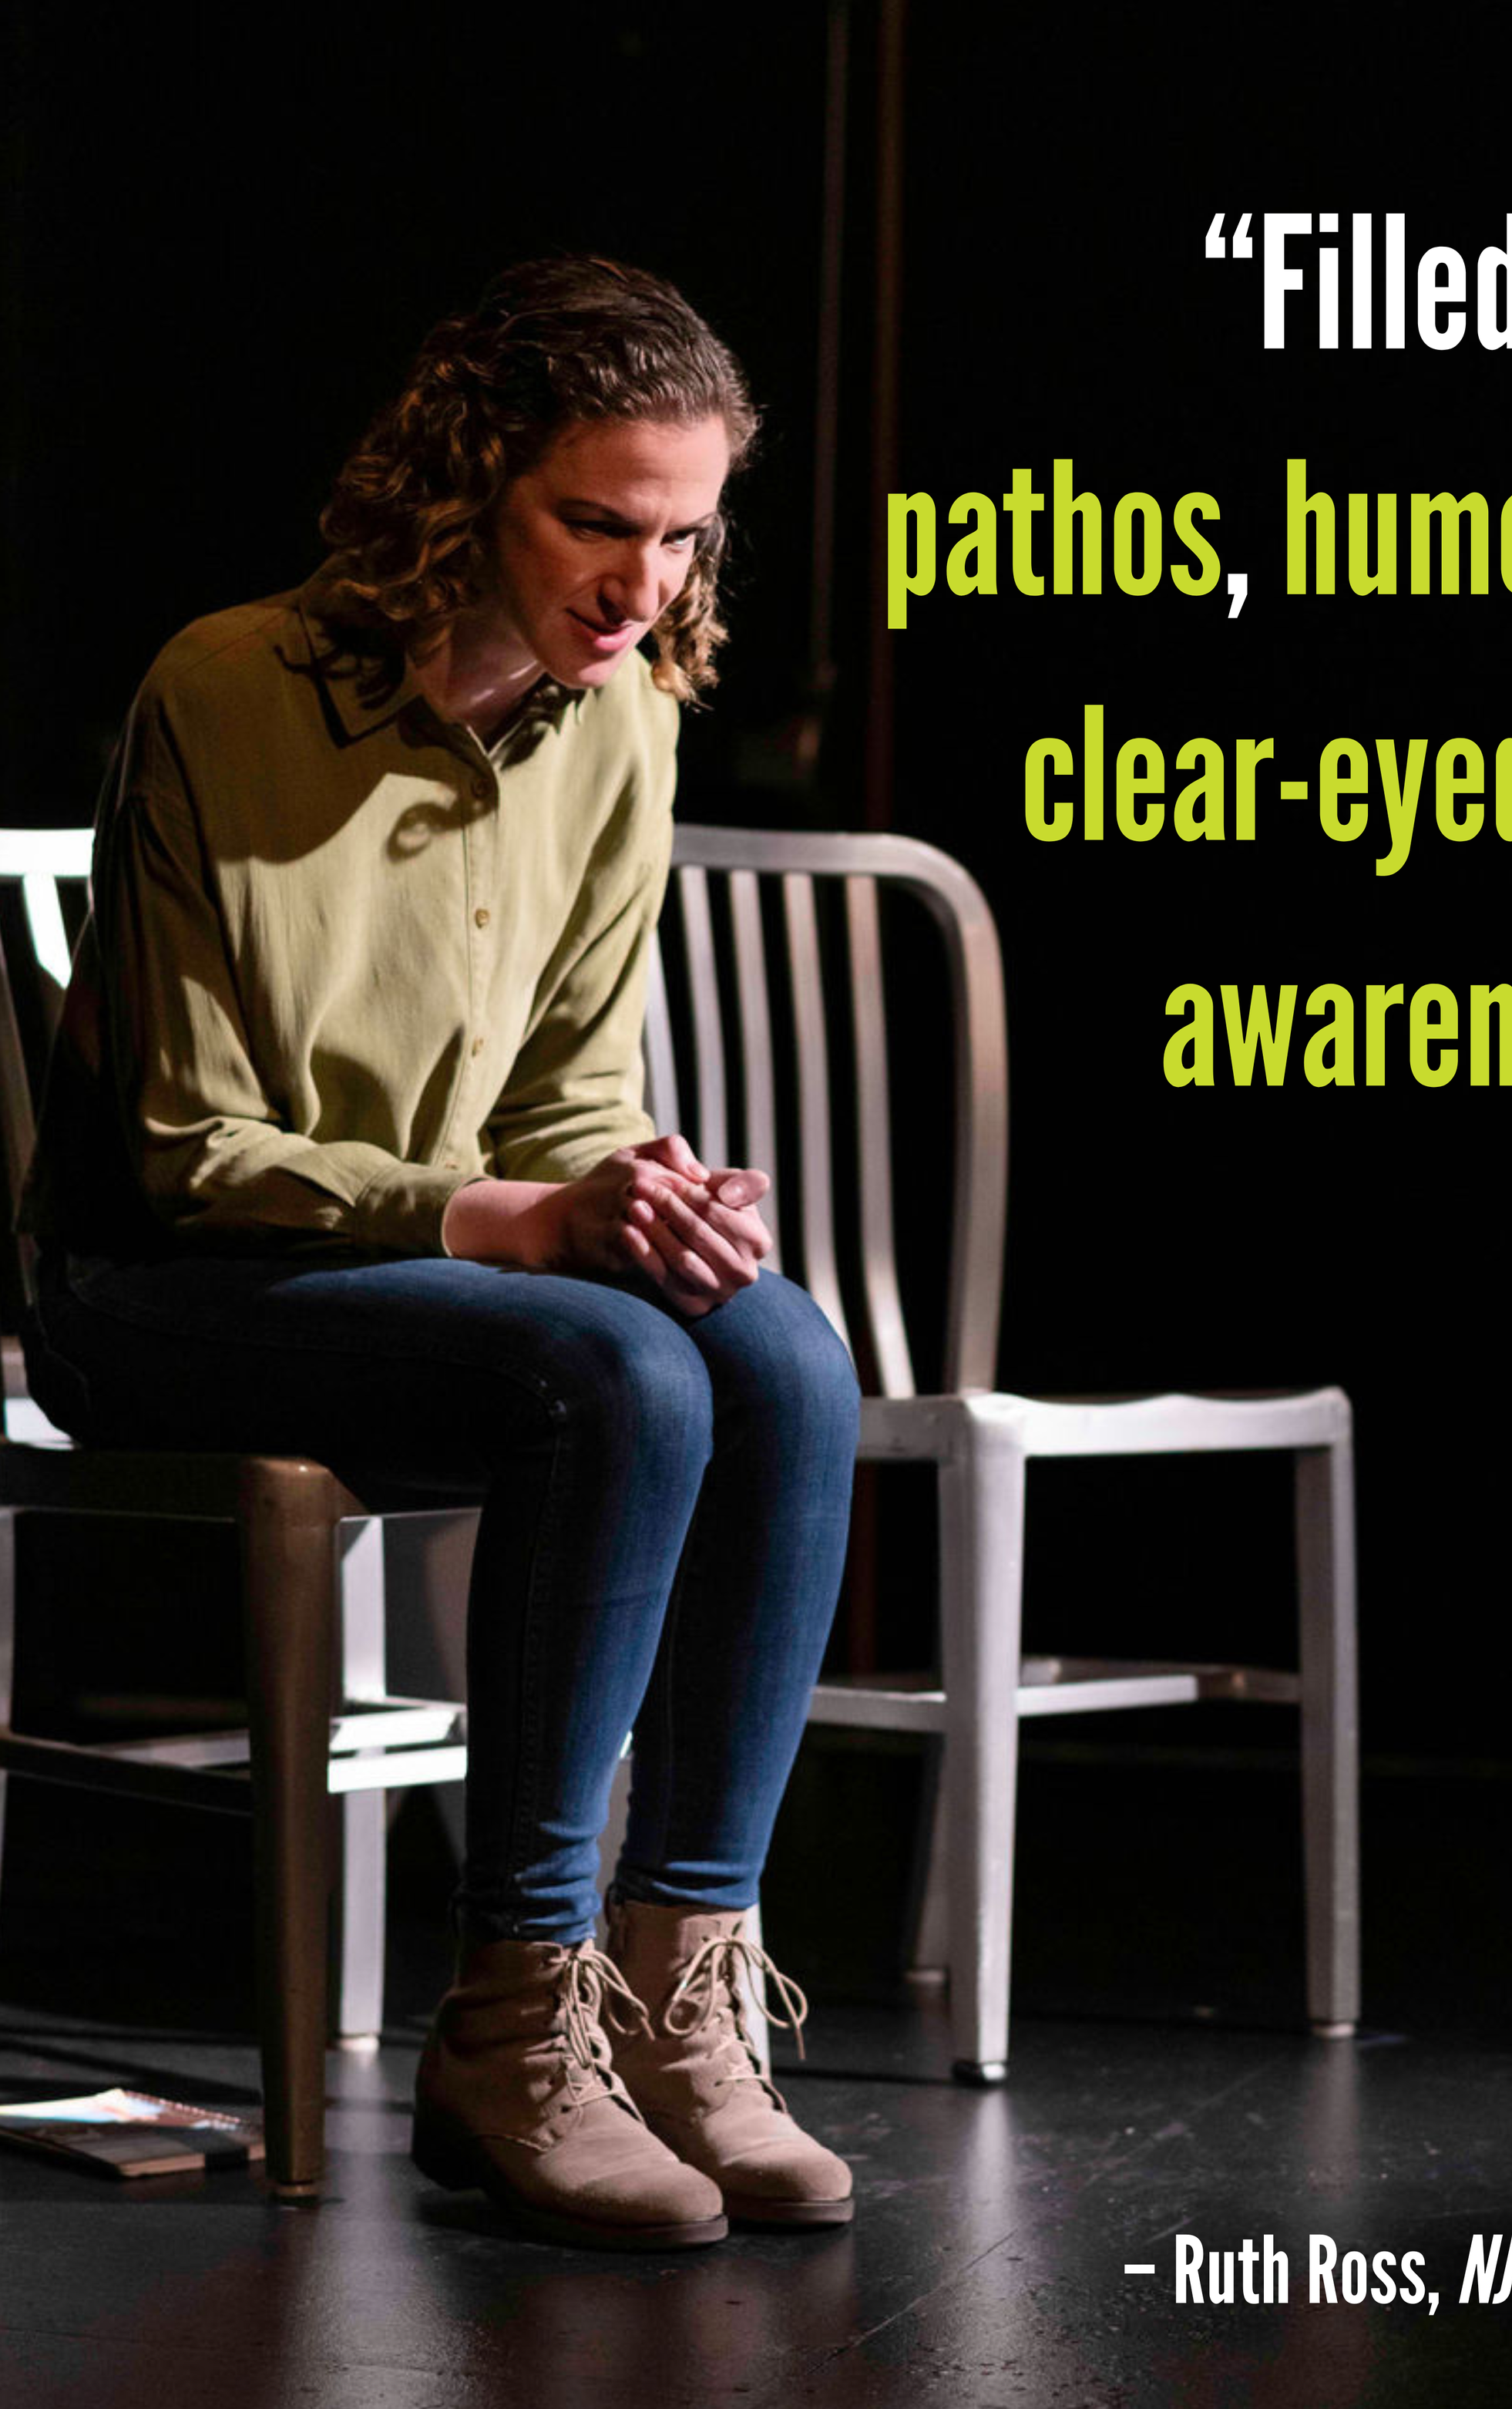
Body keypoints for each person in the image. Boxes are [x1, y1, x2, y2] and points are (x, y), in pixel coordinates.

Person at [16, 257, 862, 2251]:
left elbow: (569, 1091)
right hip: (160, 1289)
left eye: (680, 535)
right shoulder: (230, 686)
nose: (639, 584)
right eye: (596, 520)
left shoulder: (623, 725)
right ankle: (516, 2018)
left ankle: (679, 2002)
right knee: (617, 1369)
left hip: (438, 1272)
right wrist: (521, 1224)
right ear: (471, 478)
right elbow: (177, 1147)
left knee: (776, 1348)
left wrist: (644, 1195)